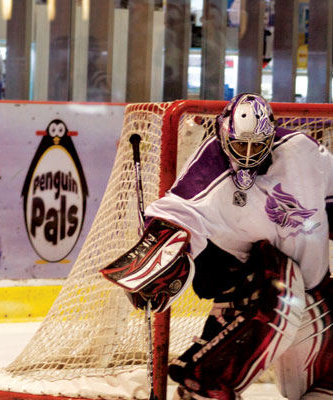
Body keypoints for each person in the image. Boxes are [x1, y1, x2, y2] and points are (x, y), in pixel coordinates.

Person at [101, 93, 333, 399]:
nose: (248, 155)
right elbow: (175, 214)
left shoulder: (301, 150)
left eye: (257, 146)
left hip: (316, 294)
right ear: (224, 134)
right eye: (240, 146)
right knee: (281, 290)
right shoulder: (210, 166)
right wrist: (155, 262)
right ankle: (203, 383)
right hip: (253, 285)